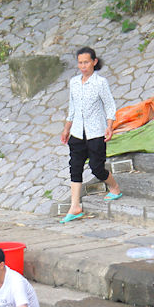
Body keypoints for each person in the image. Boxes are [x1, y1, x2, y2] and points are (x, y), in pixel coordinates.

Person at [59, 46, 122, 223]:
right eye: (80, 63)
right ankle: (75, 206)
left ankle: (114, 187)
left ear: (94, 62)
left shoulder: (100, 83)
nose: (83, 66)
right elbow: (72, 108)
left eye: (86, 62)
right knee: (75, 167)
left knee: (97, 167)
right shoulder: (73, 83)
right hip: (77, 133)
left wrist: (109, 126)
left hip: (96, 132)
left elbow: (110, 106)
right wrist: (66, 129)